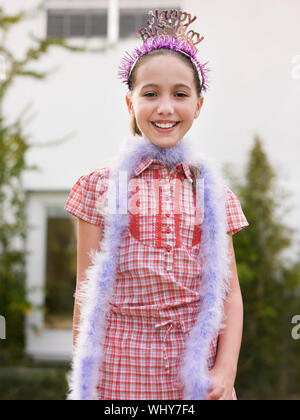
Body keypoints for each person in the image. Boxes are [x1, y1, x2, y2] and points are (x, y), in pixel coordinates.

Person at [64, 9, 249, 401]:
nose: (165, 107)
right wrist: (85, 384)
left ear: (198, 104)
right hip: (120, 378)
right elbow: (87, 290)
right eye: (150, 94)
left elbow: (229, 294)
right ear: (130, 102)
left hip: (196, 379)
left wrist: (226, 371)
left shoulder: (211, 191)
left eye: (180, 94)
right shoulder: (100, 187)